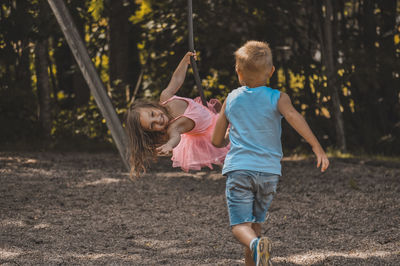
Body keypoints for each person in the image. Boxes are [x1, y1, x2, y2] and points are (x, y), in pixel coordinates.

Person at [212, 41, 329, 266]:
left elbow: (216, 141)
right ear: (271, 71)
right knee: (255, 225)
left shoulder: (231, 99)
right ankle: (256, 258)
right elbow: (295, 117)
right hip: (268, 173)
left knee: (240, 226)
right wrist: (316, 146)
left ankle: (256, 246)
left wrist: (227, 129)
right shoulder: (278, 97)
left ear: (238, 72)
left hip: (240, 170)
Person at [125, 52, 229, 178]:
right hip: (210, 132)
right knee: (228, 146)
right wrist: (169, 145)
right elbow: (175, 138)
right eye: (153, 125)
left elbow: (176, 79)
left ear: (152, 106)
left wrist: (185, 61)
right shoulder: (173, 128)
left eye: (153, 114)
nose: (158, 120)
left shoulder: (166, 97)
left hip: (211, 116)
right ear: (153, 131)